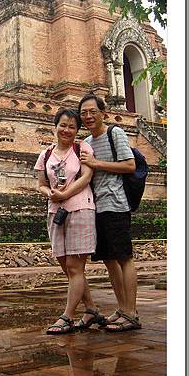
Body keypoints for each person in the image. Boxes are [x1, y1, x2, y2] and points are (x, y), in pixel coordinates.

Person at [35, 108, 106, 335]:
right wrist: (51, 194)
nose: (67, 130)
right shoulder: (45, 154)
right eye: (63, 125)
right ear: (55, 126)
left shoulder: (82, 148)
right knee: (67, 267)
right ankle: (92, 309)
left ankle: (66, 316)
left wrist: (65, 194)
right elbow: (41, 183)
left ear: (77, 130)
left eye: (72, 127)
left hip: (80, 208)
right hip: (56, 212)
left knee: (76, 267)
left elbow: (86, 176)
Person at [78, 93, 141, 332]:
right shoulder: (87, 143)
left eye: (92, 111)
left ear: (103, 113)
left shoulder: (115, 134)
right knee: (109, 260)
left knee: (124, 257)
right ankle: (123, 308)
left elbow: (129, 165)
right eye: (84, 113)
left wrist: (97, 164)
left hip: (116, 204)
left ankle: (131, 312)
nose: (88, 116)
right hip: (97, 206)